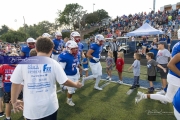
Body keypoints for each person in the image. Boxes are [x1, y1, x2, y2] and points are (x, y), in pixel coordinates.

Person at [10, 37, 82, 120]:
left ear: (36, 49)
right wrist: (76, 85)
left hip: (31, 108)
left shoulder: (23, 64)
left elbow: (15, 83)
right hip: (50, 106)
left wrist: (14, 101)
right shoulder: (54, 63)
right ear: (51, 50)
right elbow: (64, 81)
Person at [0, 53, 23, 120]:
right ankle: (25, 114)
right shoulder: (19, 67)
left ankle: (8, 118)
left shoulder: (4, 66)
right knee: (21, 101)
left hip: (7, 87)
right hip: (18, 88)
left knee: (8, 104)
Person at [58, 40, 79, 106]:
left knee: (75, 87)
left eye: (76, 48)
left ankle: (64, 87)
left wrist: (80, 68)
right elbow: (61, 69)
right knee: (71, 91)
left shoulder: (74, 54)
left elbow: (75, 63)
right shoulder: (64, 56)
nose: (76, 50)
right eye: (74, 48)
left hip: (75, 73)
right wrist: (63, 79)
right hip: (68, 75)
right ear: (68, 48)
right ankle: (69, 100)